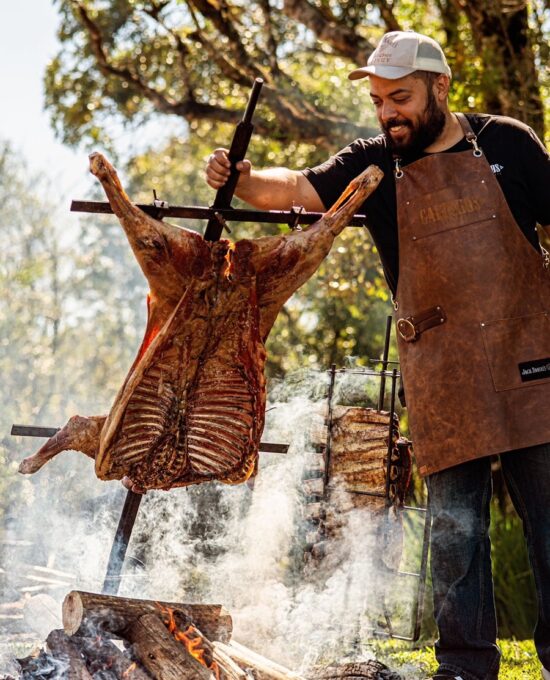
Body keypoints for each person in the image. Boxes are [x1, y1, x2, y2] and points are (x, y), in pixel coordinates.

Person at [205, 30, 550, 680]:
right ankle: (465, 670)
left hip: (534, 371)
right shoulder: (375, 165)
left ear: (439, 88)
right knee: (455, 540)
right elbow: (299, 190)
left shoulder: (508, 143)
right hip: (445, 384)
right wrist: (243, 178)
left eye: (401, 97)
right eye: (378, 101)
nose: (388, 113)